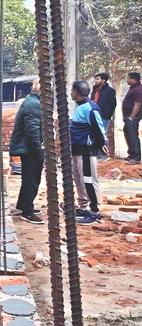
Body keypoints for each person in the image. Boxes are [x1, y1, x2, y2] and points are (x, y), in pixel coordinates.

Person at [70, 81, 107, 225]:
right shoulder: (80, 107)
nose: (71, 93)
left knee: (88, 180)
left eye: (72, 90)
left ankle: (94, 211)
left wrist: (101, 144)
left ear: (76, 92)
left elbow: (98, 127)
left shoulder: (90, 108)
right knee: (79, 180)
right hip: (78, 149)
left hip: (86, 150)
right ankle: (84, 206)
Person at [9, 79, 44, 224]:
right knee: (32, 179)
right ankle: (27, 212)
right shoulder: (34, 105)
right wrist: (38, 151)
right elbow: (32, 132)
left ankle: (24, 205)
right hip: (29, 148)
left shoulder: (32, 102)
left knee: (29, 178)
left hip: (27, 147)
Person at [91, 73, 117, 160]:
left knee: (103, 134)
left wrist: (105, 115)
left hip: (103, 116)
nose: (95, 80)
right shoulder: (95, 89)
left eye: (97, 79)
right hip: (94, 115)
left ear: (103, 80)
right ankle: (97, 154)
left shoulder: (110, 91)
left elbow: (112, 104)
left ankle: (104, 155)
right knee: (95, 134)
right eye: (95, 79)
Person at [122, 72, 142, 165]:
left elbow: (137, 104)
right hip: (128, 116)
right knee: (127, 132)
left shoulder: (138, 89)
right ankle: (131, 154)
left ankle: (136, 157)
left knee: (132, 135)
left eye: (128, 78)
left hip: (133, 116)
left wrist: (131, 118)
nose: (127, 80)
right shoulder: (133, 88)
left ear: (134, 79)